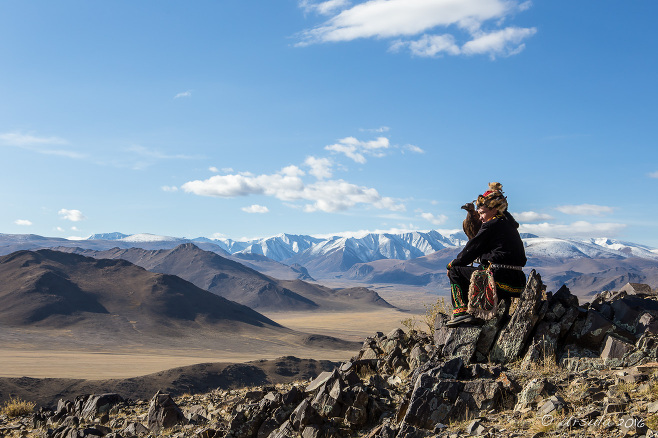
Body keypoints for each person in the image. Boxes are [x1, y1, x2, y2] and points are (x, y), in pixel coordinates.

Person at [446, 182, 527, 327]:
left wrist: (452, 264)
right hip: (517, 282)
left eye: (482, 213)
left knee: (455, 271)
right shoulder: (509, 225)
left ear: (494, 210)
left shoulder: (491, 225)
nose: (481, 218)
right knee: (473, 270)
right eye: (479, 214)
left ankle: (461, 313)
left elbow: (471, 250)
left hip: (499, 279)